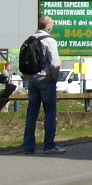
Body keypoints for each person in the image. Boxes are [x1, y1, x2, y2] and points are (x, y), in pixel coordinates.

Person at [22, 15, 65, 154]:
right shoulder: (49, 40)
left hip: (32, 81)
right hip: (46, 80)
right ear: (48, 26)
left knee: (31, 114)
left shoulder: (30, 40)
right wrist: (54, 78)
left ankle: (28, 146)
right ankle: (49, 145)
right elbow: (54, 63)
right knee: (50, 114)